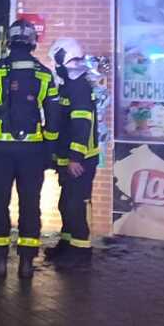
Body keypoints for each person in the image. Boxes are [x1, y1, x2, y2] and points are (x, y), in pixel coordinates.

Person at [0, 19, 60, 280]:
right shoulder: (43, 74)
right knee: (30, 205)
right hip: (32, 152)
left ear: (10, 40)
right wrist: (49, 150)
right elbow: (53, 116)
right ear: (32, 42)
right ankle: (27, 264)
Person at [45, 36, 99, 272]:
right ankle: (67, 244)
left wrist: (76, 158)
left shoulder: (79, 87)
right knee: (66, 203)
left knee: (76, 204)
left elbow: (81, 125)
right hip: (68, 158)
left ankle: (81, 251)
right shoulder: (68, 85)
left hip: (81, 160)